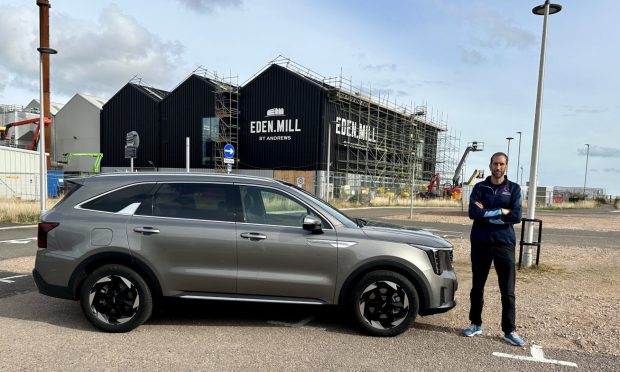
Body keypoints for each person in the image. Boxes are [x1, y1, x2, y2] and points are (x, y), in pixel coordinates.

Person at [462, 152, 524, 346]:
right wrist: (500, 212)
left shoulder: (513, 189)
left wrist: (486, 213)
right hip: (481, 242)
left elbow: (515, 216)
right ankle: (475, 324)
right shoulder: (480, 187)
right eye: (495, 164)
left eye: (502, 164)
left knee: (507, 290)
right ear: (490, 165)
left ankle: (509, 330)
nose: (498, 167)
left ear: (506, 166)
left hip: (504, 243)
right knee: (477, 287)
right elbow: (473, 213)